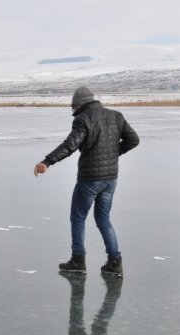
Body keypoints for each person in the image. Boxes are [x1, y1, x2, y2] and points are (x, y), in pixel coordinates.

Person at [34, 87, 139, 276]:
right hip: (110, 178)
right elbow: (133, 140)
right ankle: (114, 261)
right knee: (103, 219)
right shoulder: (116, 116)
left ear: (80, 104)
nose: (72, 110)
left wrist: (47, 161)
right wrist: (113, 154)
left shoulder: (83, 119)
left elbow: (70, 145)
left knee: (78, 218)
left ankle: (78, 260)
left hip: (89, 179)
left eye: (73, 106)